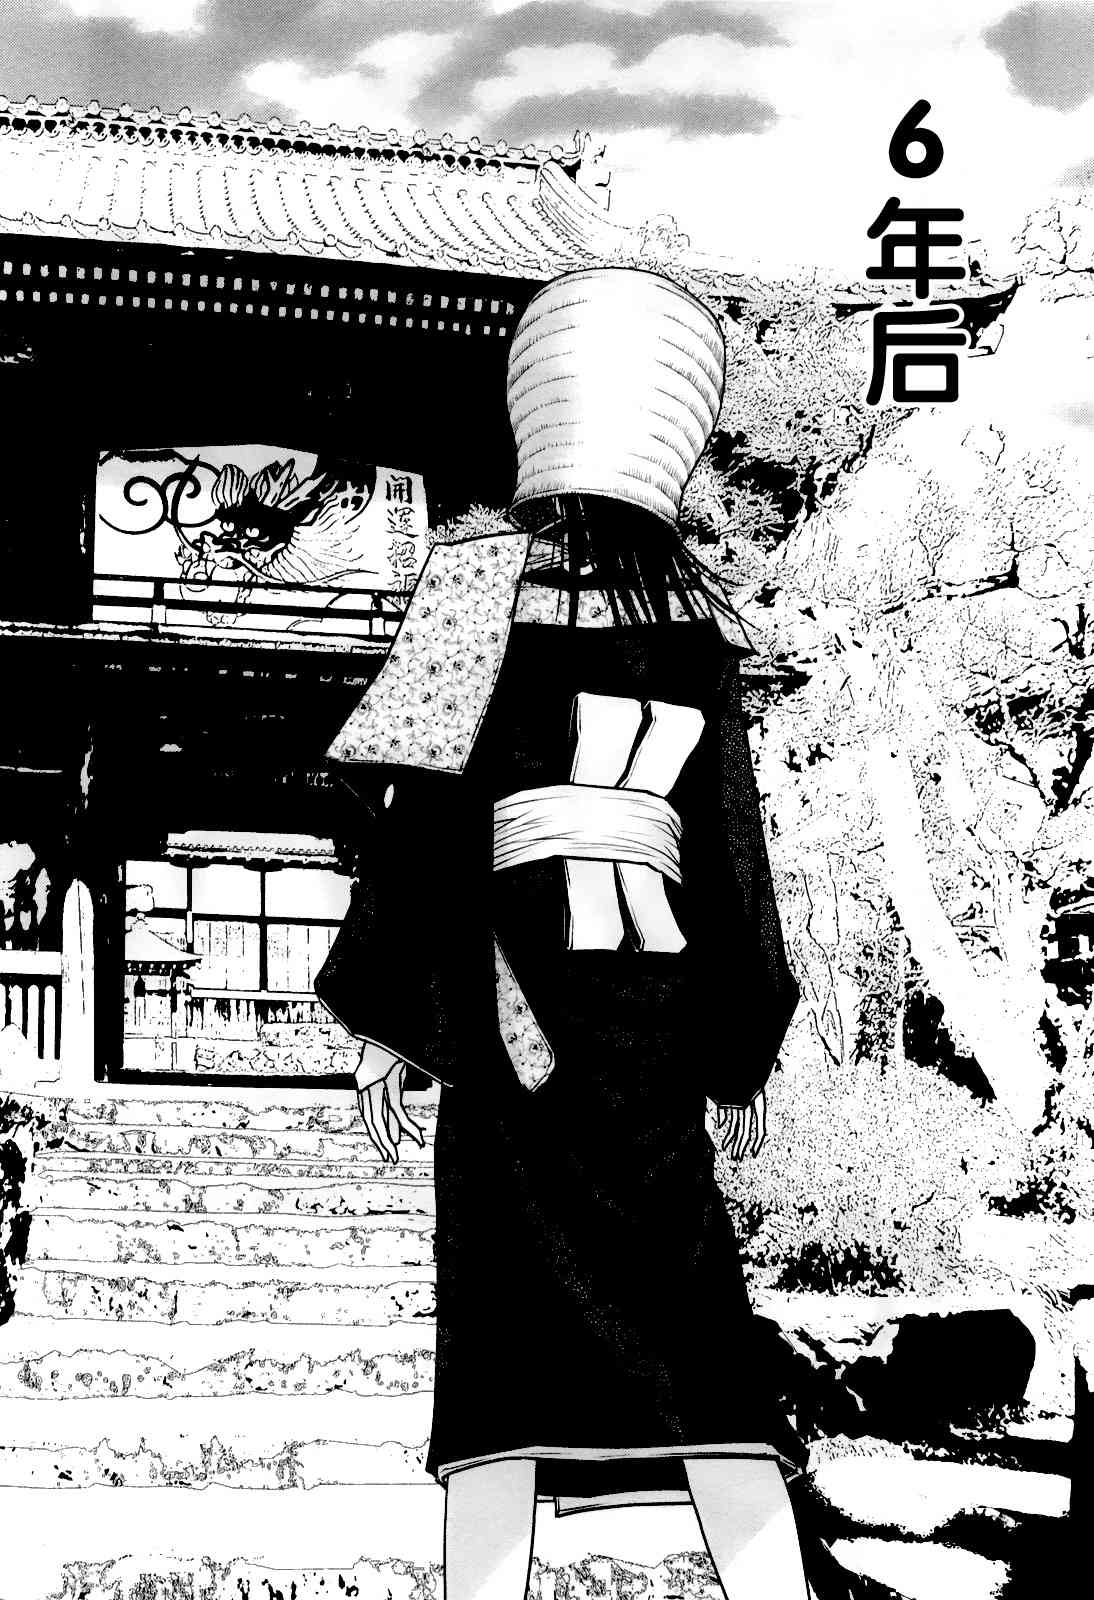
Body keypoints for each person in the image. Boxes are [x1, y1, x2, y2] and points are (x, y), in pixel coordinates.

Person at [316, 267, 809, 1600]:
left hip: (509, 1021)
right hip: (651, 1029)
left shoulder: (471, 584)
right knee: (701, 1351)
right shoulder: (697, 626)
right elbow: (731, 855)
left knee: (500, 1359)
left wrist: (391, 1024)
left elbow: (416, 816)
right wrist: (740, 1042)